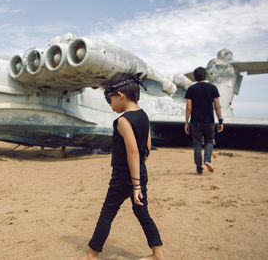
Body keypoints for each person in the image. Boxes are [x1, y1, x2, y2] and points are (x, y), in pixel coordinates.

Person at [76, 72, 165, 260]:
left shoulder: (123, 121)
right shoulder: (144, 116)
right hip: (139, 172)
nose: (110, 105)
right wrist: (139, 172)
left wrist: (135, 184)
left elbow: (132, 151)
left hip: (124, 176)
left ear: (120, 95)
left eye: (109, 100)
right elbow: (146, 149)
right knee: (142, 213)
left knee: (107, 212)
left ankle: (92, 255)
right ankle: (158, 253)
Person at [184, 67, 224, 174]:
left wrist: (186, 123)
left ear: (195, 77)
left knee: (197, 143)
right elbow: (217, 106)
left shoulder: (191, 89)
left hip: (195, 121)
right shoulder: (213, 88)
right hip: (209, 120)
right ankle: (207, 160)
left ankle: (198, 167)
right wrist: (220, 121)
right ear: (205, 76)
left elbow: (188, 108)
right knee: (209, 141)